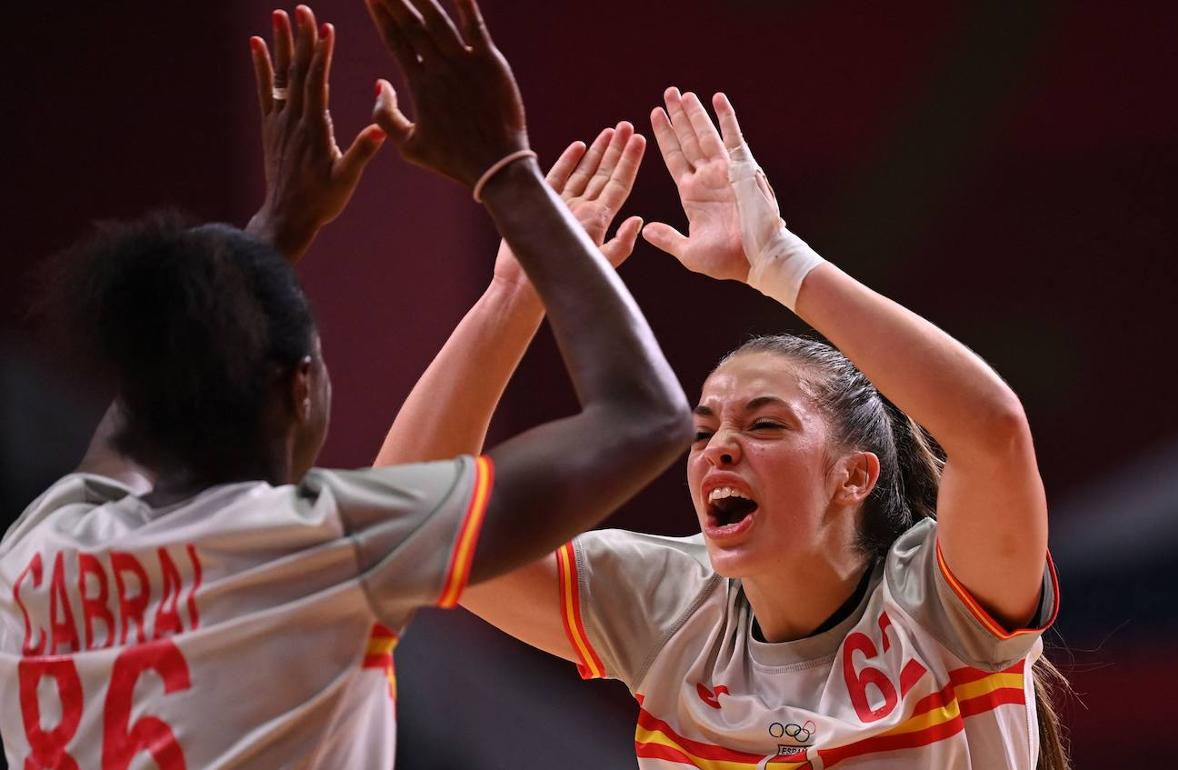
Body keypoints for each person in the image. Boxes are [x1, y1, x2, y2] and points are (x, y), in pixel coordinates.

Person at [0, 2, 689, 768]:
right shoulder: (322, 546)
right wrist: (506, 171)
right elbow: (647, 418)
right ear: (298, 388)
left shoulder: (43, 547)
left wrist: (271, 239)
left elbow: (141, 408)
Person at [376, 87, 1069, 768]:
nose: (720, 449)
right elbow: (413, 526)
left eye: (765, 426)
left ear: (854, 475)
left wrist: (782, 264)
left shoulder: (941, 602)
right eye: (703, 431)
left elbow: (993, 431)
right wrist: (514, 296)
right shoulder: (668, 603)